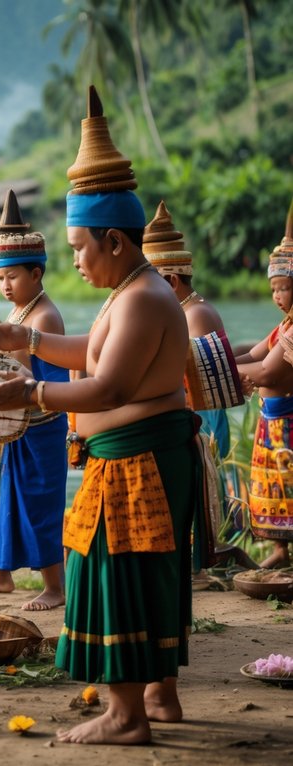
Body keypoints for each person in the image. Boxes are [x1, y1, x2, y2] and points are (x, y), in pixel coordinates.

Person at [0, 86, 197, 745]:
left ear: (115, 242)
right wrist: (29, 344)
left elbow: (107, 387)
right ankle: (156, 697)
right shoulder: (131, 292)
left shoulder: (140, 298)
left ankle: (126, 716)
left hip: (138, 458)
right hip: (140, 455)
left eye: (79, 247)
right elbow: (91, 353)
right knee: (149, 571)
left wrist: (32, 396)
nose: (74, 259)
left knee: (114, 570)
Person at [0, 190, 68, 611]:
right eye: (0, 278)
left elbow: (28, 375)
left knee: (40, 502)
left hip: (42, 423)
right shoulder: (15, 315)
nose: (5, 286)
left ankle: (54, 587)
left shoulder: (43, 316)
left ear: (37, 274)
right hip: (16, 425)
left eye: (13, 277)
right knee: (4, 499)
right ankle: (2, 576)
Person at [143, 200, 245, 571]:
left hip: (201, 422)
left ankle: (211, 553)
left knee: (204, 489)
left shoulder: (195, 314)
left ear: (171, 280)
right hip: (192, 417)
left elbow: (198, 382)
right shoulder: (186, 309)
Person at [235, 200, 293, 569]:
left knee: (288, 486)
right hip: (270, 422)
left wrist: (228, 373)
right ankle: (280, 551)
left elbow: (268, 372)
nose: (277, 296)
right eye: (273, 288)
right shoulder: (283, 325)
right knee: (272, 486)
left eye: (283, 288)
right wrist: (215, 359)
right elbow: (252, 351)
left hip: (287, 423)